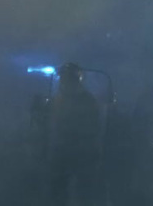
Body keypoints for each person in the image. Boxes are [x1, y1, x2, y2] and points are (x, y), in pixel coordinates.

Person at [47, 62, 103, 205]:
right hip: (60, 154)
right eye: (62, 78)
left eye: (66, 78)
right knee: (57, 193)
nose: (63, 81)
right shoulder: (57, 100)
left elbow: (93, 128)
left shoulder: (88, 101)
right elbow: (51, 125)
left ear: (75, 80)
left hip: (82, 155)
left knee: (84, 194)